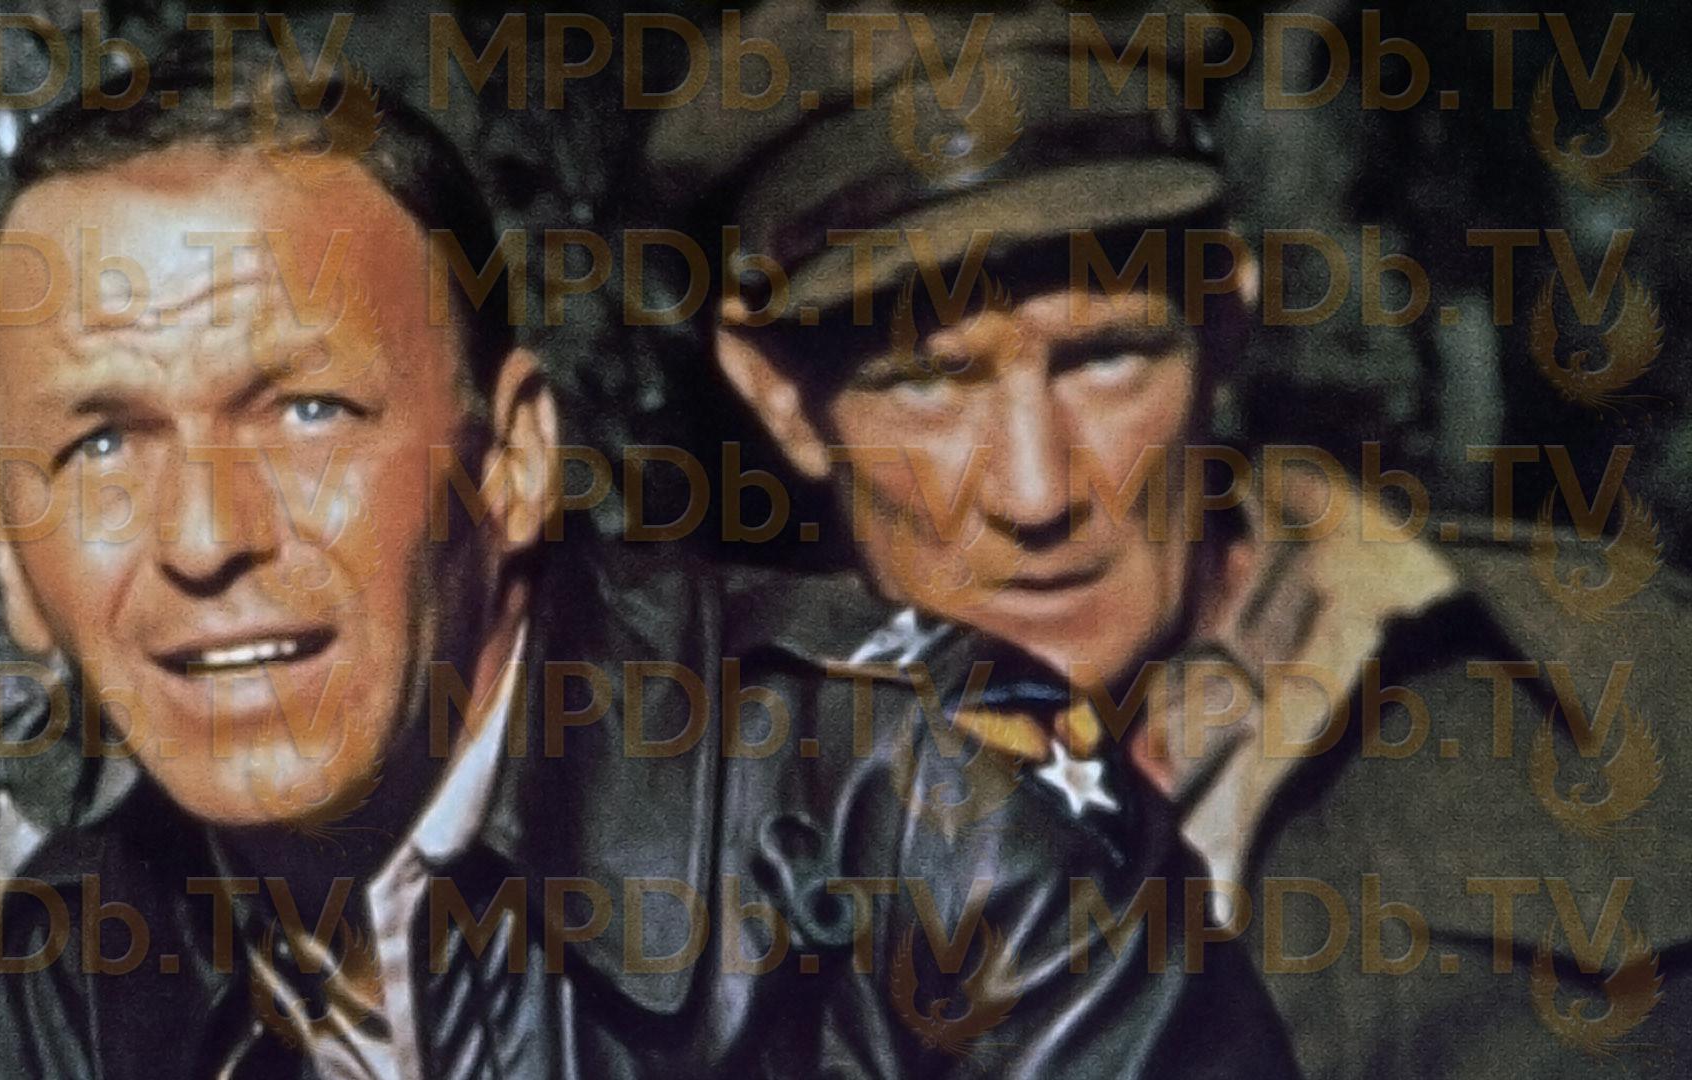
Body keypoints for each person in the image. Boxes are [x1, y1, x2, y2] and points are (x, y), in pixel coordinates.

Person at [0, 28, 1296, 1080]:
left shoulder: (927, 815)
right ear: (9, 553)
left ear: (515, 461)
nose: (207, 537)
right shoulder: (57, 997)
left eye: (309, 413)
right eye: (100, 447)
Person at [652, 3, 1692, 1077]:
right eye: (929, 383)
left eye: (1105, 359)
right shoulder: (676, 835)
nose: (1036, 492)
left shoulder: (1613, 680)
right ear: (778, 393)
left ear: (1224, 320)